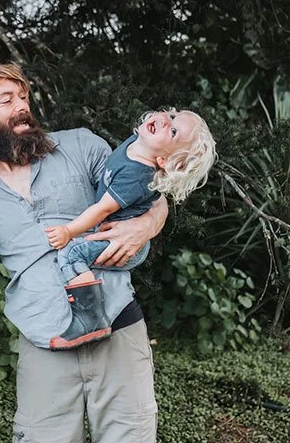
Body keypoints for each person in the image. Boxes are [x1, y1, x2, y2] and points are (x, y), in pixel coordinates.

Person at [0, 63, 168, 443]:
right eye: (7, 100)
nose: (22, 107)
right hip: (44, 340)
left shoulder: (81, 145)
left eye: (23, 97)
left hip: (118, 326)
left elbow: (150, 190)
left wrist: (148, 226)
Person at [44, 108, 216, 349]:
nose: (167, 120)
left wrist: (68, 232)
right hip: (115, 230)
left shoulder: (136, 175)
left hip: (126, 243)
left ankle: (91, 320)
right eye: (173, 115)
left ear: (164, 161)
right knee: (77, 249)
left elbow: (103, 209)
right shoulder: (137, 144)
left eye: (174, 131)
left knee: (71, 253)